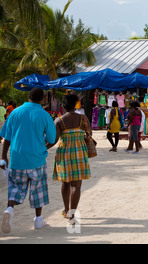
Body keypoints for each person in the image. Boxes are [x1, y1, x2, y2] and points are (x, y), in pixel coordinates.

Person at [0, 88, 57, 233]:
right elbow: (52, 138)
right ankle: (38, 220)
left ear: (28, 96)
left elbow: (6, 136)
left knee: (14, 188)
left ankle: (9, 209)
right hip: (36, 160)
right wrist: (43, 147)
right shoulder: (44, 115)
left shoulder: (15, 112)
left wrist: (3, 156)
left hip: (17, 159)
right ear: (43, 99)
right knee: (38, 190)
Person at [47, 94, 91, 222]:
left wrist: (42, 148)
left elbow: (53, 140)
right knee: (76, 185)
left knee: (65, 183)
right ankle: (72, 214)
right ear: (76, 105)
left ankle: (66, 210)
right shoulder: (83, 119)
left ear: (63, 106)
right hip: (80, 154)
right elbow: (89, 135)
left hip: (64, 155)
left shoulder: (59, 121)